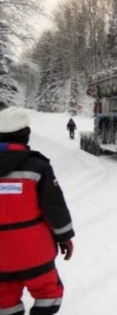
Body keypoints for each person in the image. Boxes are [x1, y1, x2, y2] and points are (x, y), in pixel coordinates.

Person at [0, 107, 75, 315]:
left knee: (4, 302)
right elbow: (55, 208)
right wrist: (65, 237)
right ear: (25, 135)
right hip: (34, 251)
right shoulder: (37, 166)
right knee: (49, 294)